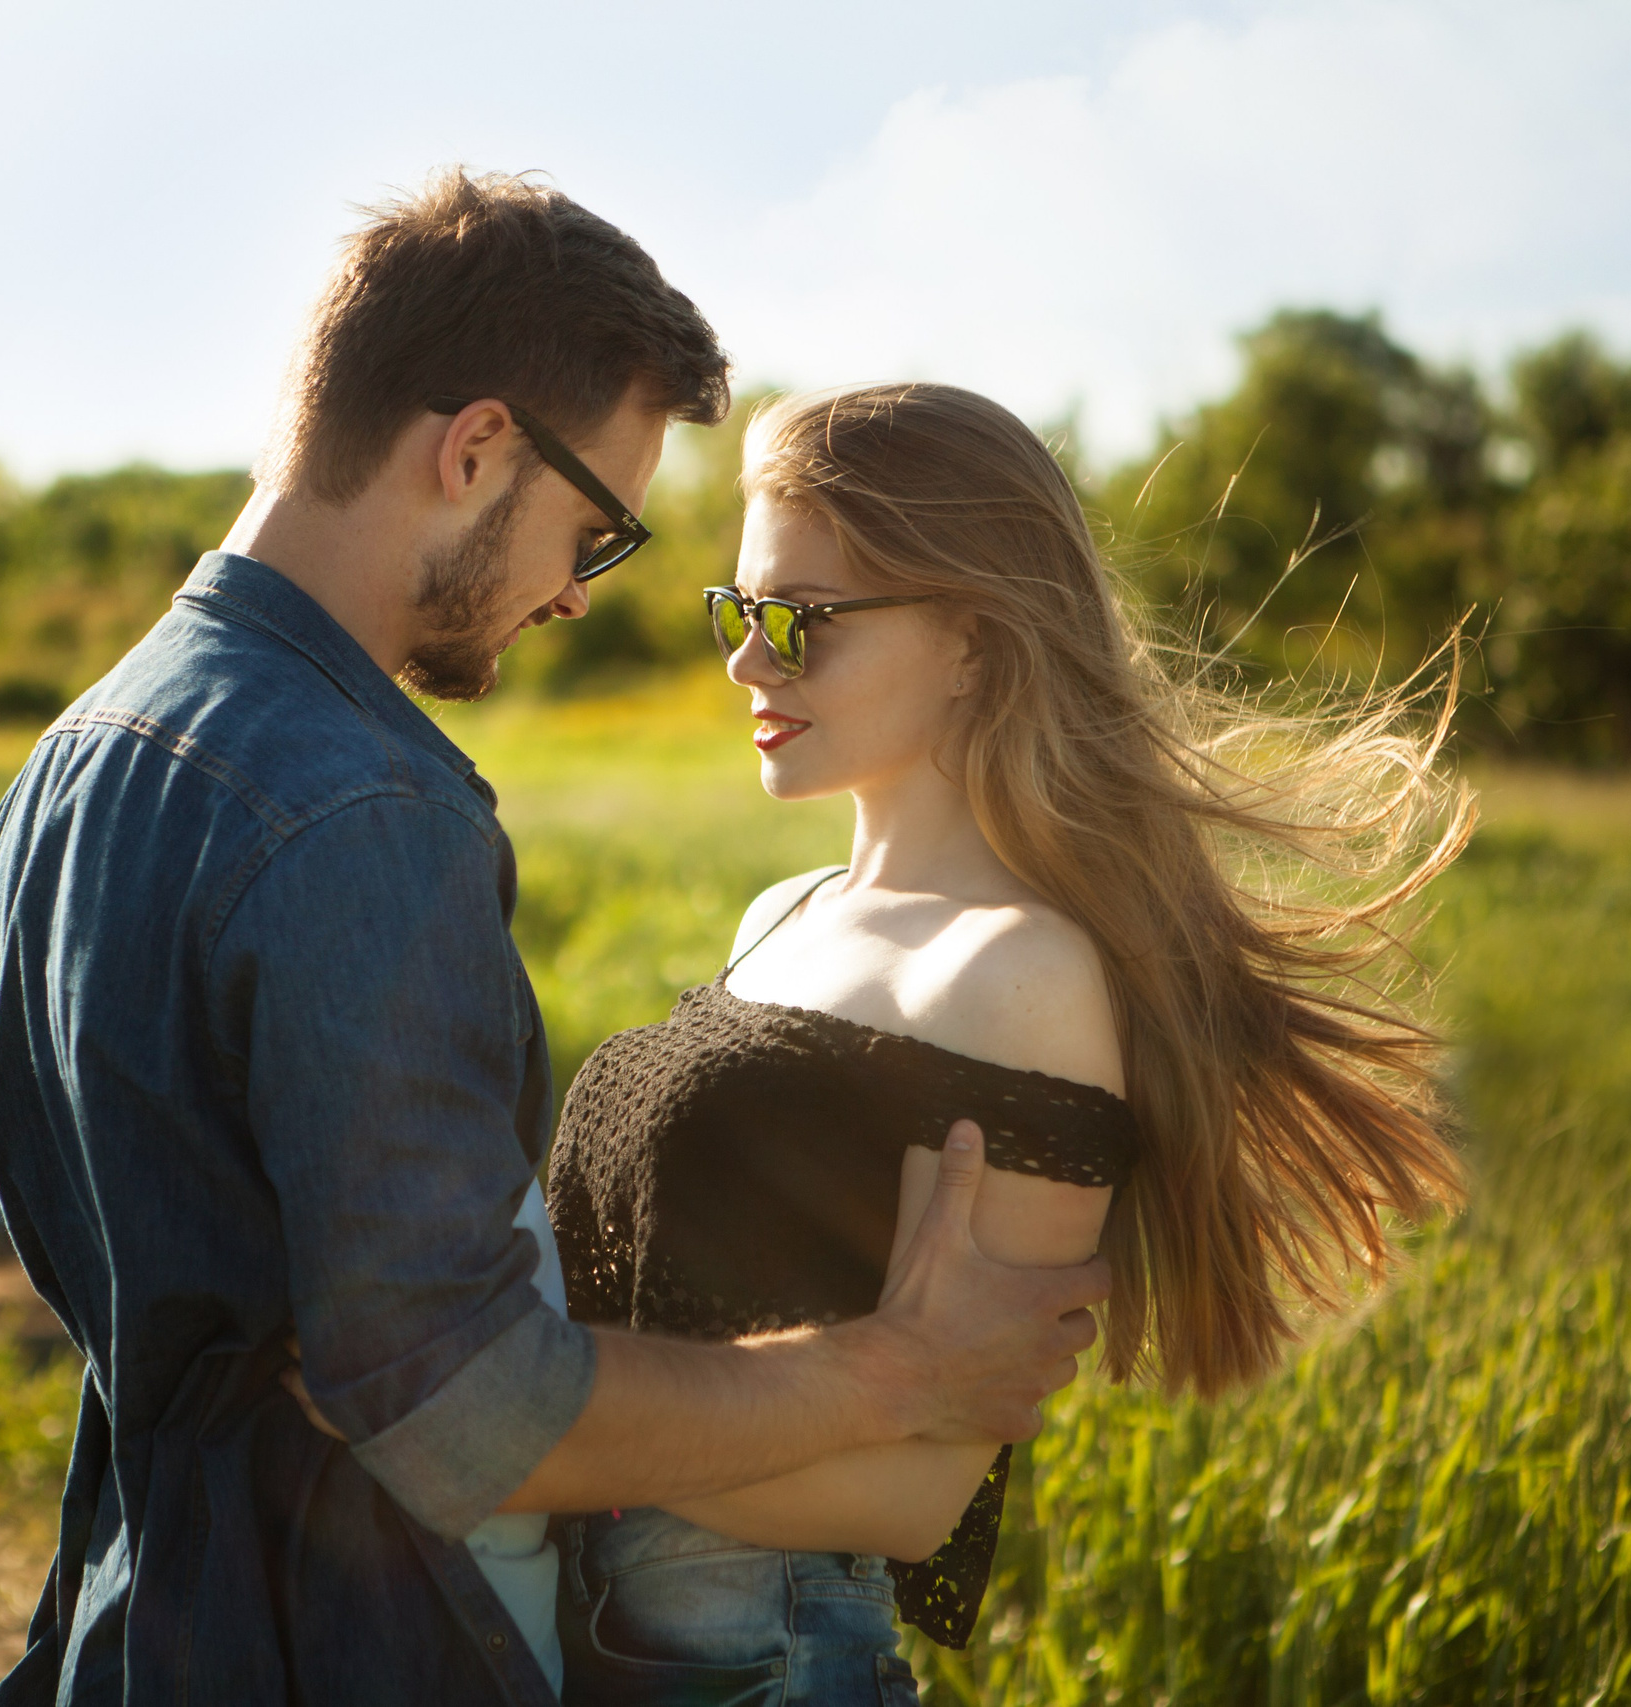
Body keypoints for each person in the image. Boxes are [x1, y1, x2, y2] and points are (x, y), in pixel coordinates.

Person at [0, 176, 1111, 1707]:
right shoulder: (363, 808)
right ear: (476, 449)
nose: (577, 594)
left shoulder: (76, 757)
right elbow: (463, 1410)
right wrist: (885, 1371)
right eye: (596, 531)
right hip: (340, 1654)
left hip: (139, 1625)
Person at [542, 382, 1474, 1701]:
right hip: (582, 1627)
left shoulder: (1018, 972)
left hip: (758, 1661)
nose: (751, 662)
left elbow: (923, 1491)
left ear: (975, 644)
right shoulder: (784, 911)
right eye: (739, 614)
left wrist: (526, 1443)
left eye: (800, 622)